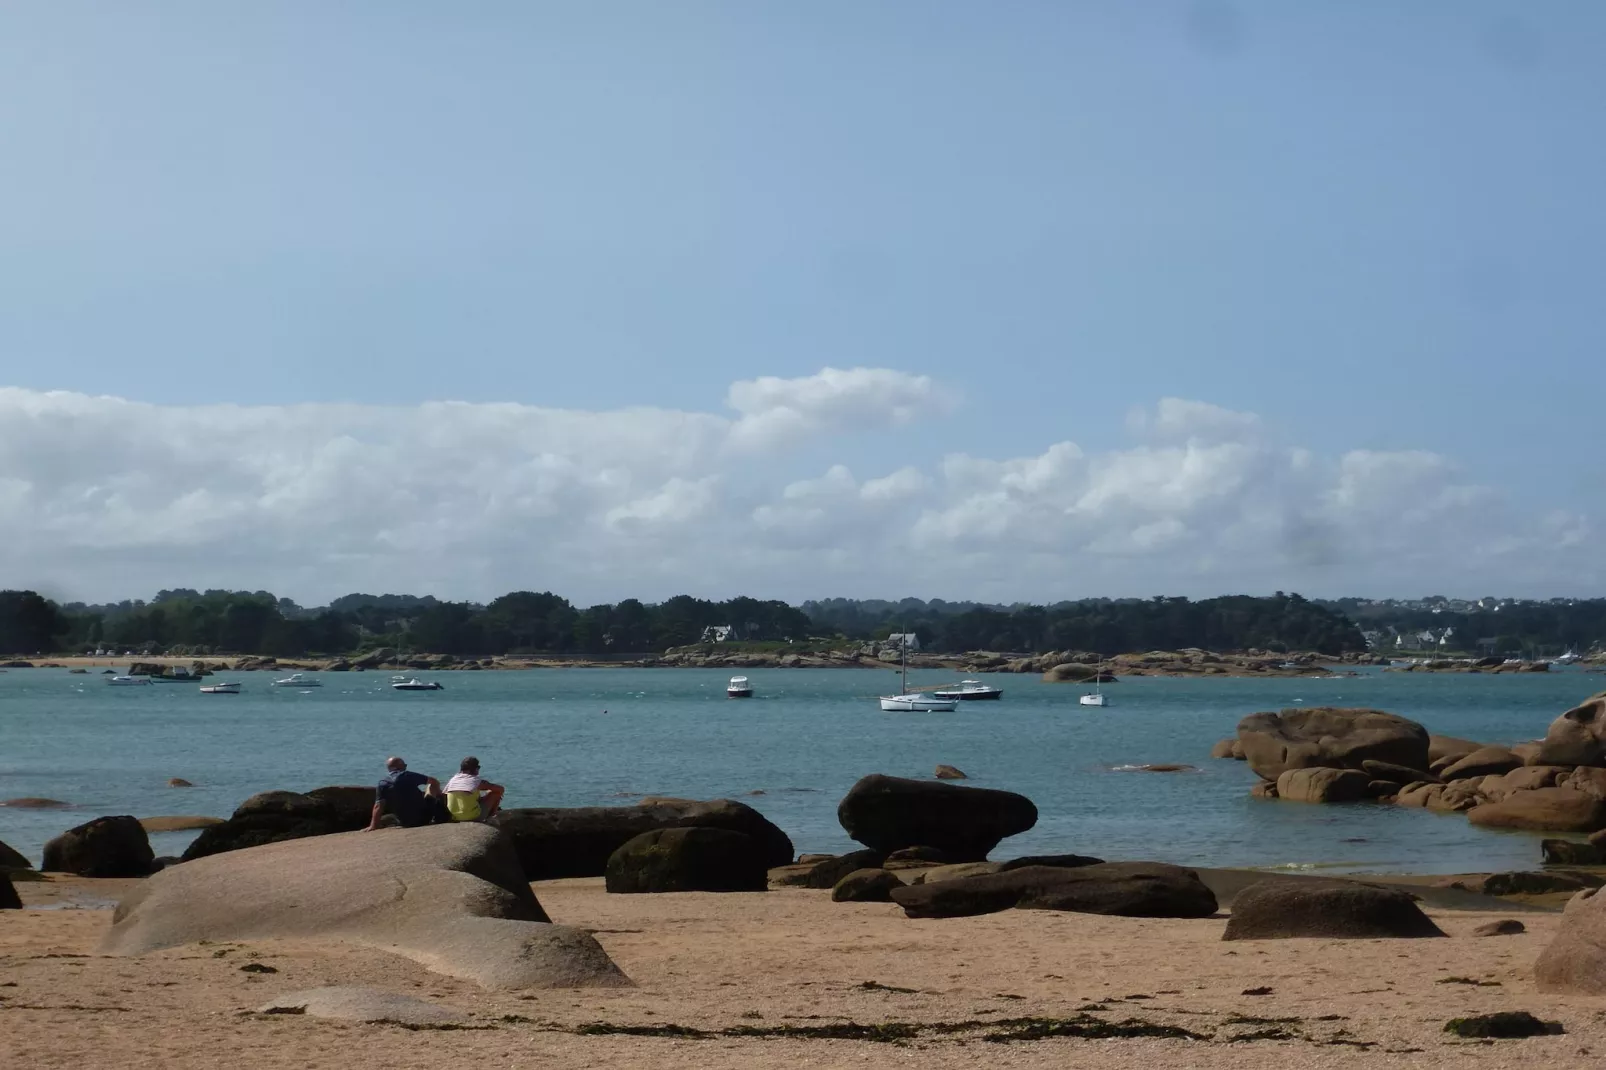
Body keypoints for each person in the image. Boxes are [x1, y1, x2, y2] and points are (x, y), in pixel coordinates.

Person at [366, 756, 445, 830]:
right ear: (401, 767)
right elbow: (434, 781)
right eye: (405, 765)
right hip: (423, 818)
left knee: (388, 817)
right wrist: (439, 793)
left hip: (404, 822)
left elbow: (378, 806)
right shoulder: (407, 775)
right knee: (430, 786)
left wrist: (373, 825)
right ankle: (438, 812)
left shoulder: (382, 783)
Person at [443, 756, 504, 822]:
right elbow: (500, 789)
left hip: (454, 816)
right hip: (472, 816)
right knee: (496, 793)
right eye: (478, 767)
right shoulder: (475, 780)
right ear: (475, 769)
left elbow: (443, 794)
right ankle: (491, 818)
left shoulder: (453, 779)